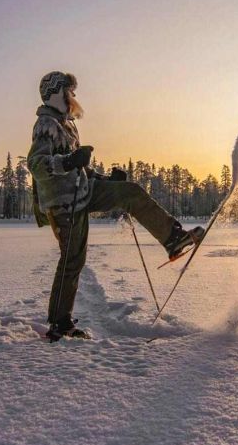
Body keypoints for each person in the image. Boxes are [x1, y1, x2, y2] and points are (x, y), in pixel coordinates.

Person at [28, 71, 204, 341]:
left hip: (82, 191)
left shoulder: (66, 124)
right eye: (69, 91)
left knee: (129, 192)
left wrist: (105, 180)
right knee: (72, 259)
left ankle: (173, 239)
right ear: (56, 93)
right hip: (63, 203)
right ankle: (59, 324)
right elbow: (37, 165)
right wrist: (68, 161)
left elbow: (79, 167)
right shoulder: (46, 125)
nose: (73, 97)